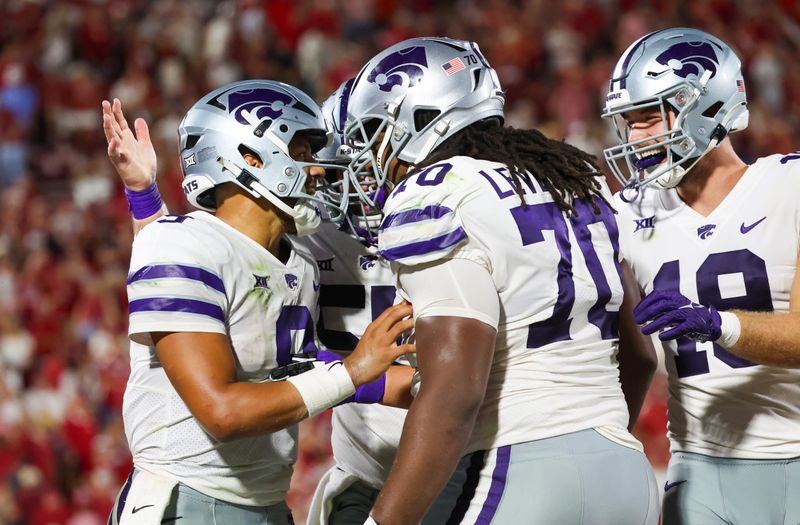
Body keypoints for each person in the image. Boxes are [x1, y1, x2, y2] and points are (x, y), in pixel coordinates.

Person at [343, 37, 659, 525]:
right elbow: (639, 354)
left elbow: (454, 394)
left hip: (516, 469)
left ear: (421, 119)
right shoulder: (575, 178)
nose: (374, 153)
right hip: (623, 470)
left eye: (375, 132)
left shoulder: (437, 193)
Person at [100, 80, 415, 525]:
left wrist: (434, 384)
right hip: (189, 500)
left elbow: (294, 369)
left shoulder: (298, 261)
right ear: (251, 158)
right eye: (303, 152)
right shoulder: (181, 243)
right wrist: (352, 370)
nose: (318, 170)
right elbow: (221, 411)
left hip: (265, 504)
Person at [602, 27, 800, 525]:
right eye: (628, 121)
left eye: (650, 117)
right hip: (699, 468)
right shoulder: (624, 212)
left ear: (708, 105)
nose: (636, 136)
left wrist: (718, 325)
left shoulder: (790, 186)